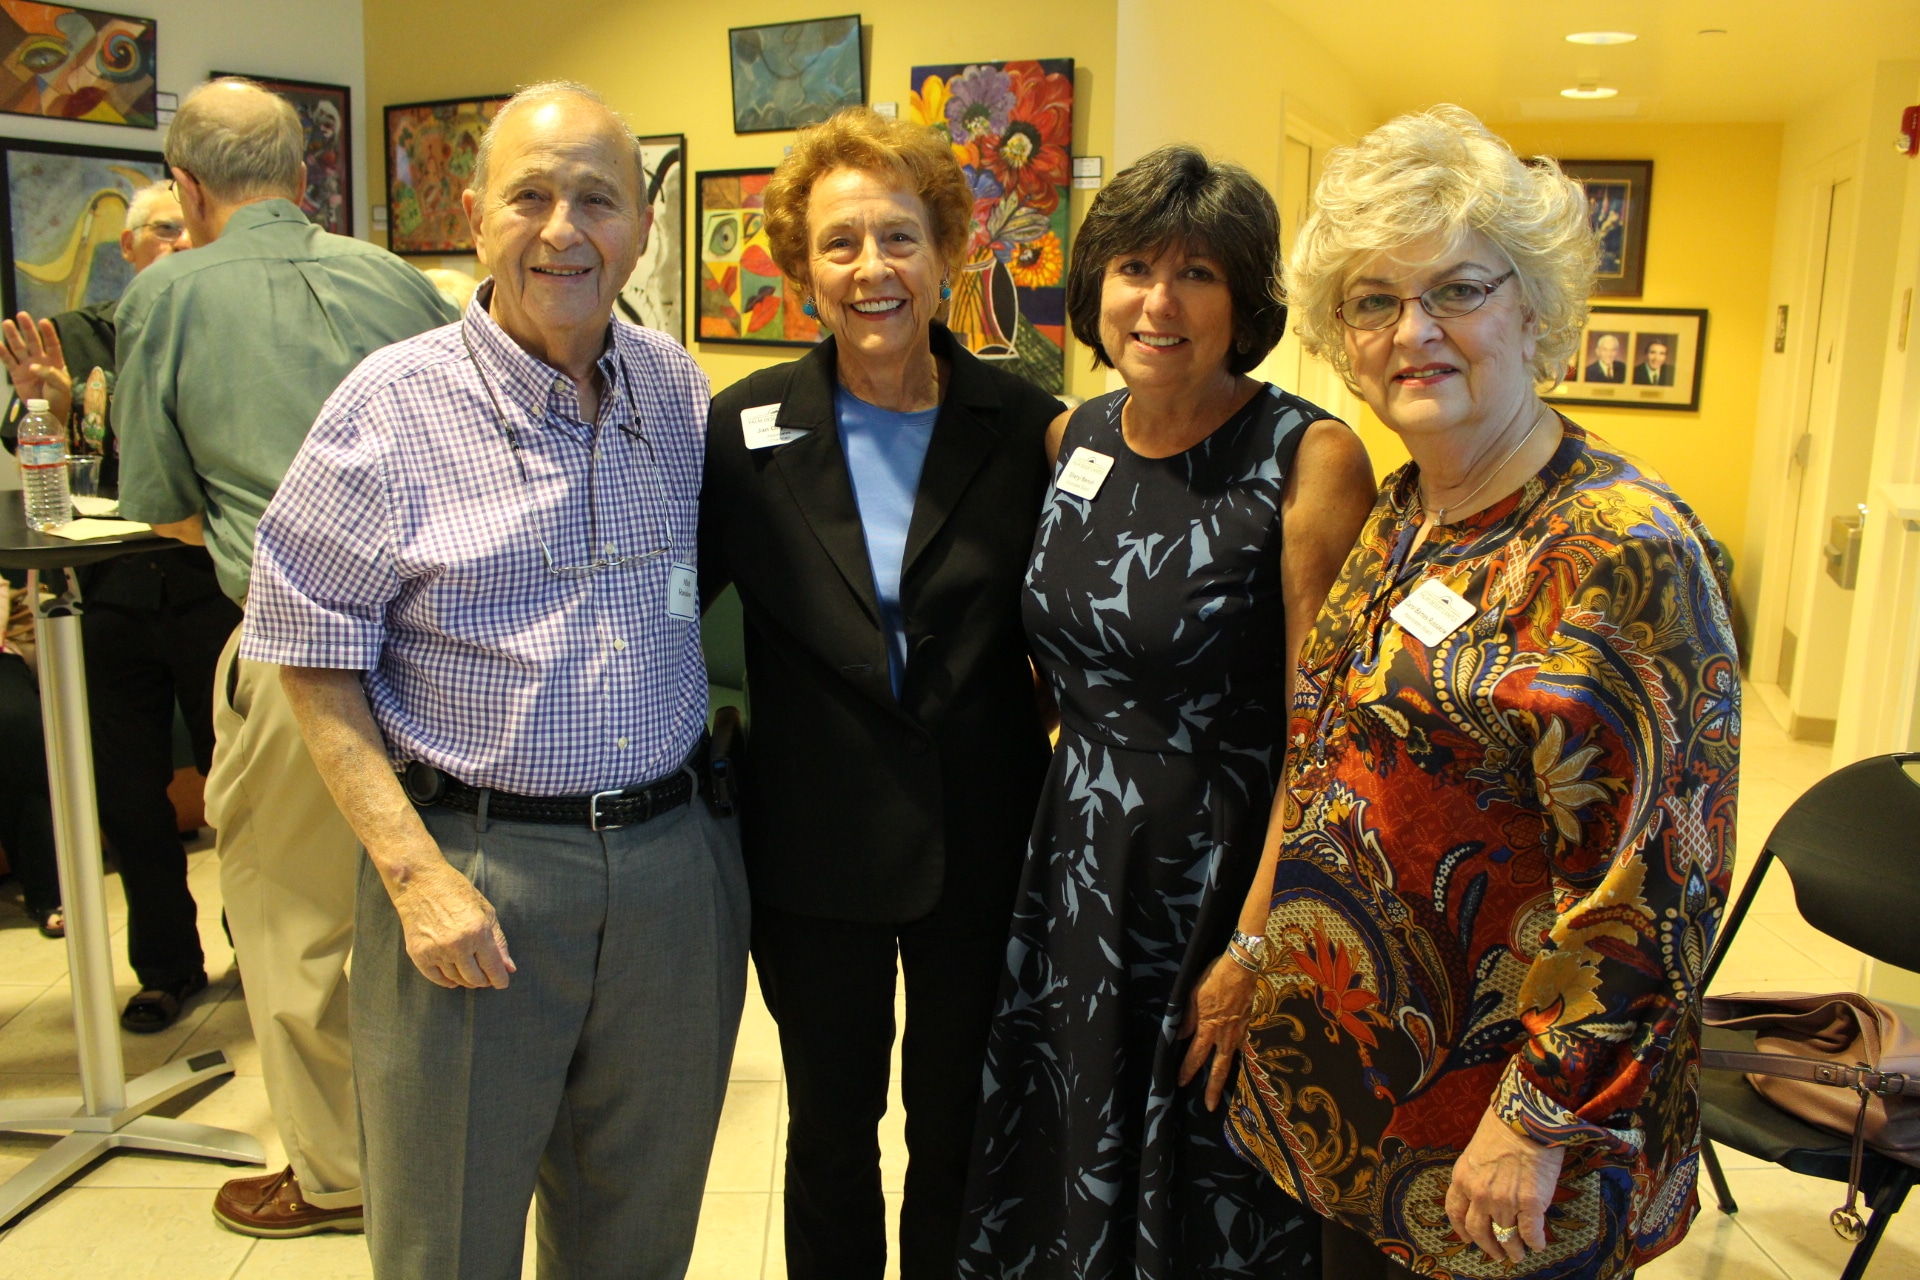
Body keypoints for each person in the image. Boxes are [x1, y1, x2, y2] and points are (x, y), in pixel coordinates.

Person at [245, 81, 747, 1279]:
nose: (563, 231)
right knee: (447, 1239)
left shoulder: (675, 390)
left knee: (640, 1233)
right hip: (476, 875)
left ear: (641, 230)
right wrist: (413, 874)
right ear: (474, 214)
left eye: (597, 200)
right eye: (530, 196)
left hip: (675, 874)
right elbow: (307, 651)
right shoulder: (391, 407)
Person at [1226, 106, 1736, 1280]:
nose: (1414, 330)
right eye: (1373, 300)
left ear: (1534, 308)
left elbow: (1657, 885)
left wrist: (1539, 1119)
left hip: (1501, 1152)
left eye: (1457, 288)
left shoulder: (1620, 548)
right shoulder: (1406, 509)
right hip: (1363, 1103)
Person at [957, 145, 1377, 1279]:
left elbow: (1325, 737)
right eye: (1134, 265)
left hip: (1217, 865)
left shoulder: (1309, 458)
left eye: (1197, 272)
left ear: (1246, 301)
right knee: (1066, 1135)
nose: (1158, 300)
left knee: (1205, 1167)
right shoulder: (1073, 438)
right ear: (1096, 285)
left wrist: (1256, 940)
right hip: (1077, 855)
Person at [701, 105, 1060, 1280]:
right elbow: (663, 612)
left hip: (982, 841)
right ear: (803, 266)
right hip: (813, 850)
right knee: (829, 1135)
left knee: (956, 1129)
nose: (873, 269)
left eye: (899, 238)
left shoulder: (1028, 426)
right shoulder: (741, 429)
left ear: (948, 251)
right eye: (841, 242)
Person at [113, 78, 455, 1236]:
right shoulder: (396, 277)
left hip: (303, 645)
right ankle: (420, 1136)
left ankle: (336, 1173)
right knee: (421, 898)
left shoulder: (166, 293)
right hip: (447, 640)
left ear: (187, 188)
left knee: (284, 915)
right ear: (304, 178)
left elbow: (155, 503)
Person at [1, 183, 235, 1026]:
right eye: (161, 232)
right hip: (108, 600)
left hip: (214, 589)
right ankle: (167, 966)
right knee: (130, 798)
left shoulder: (223, 328)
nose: (178, 244)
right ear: (129, 248)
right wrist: (49, 409)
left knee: (235, 787)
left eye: (189, 229)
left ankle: (258, 950)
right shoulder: (74, 337)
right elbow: (23, 438)